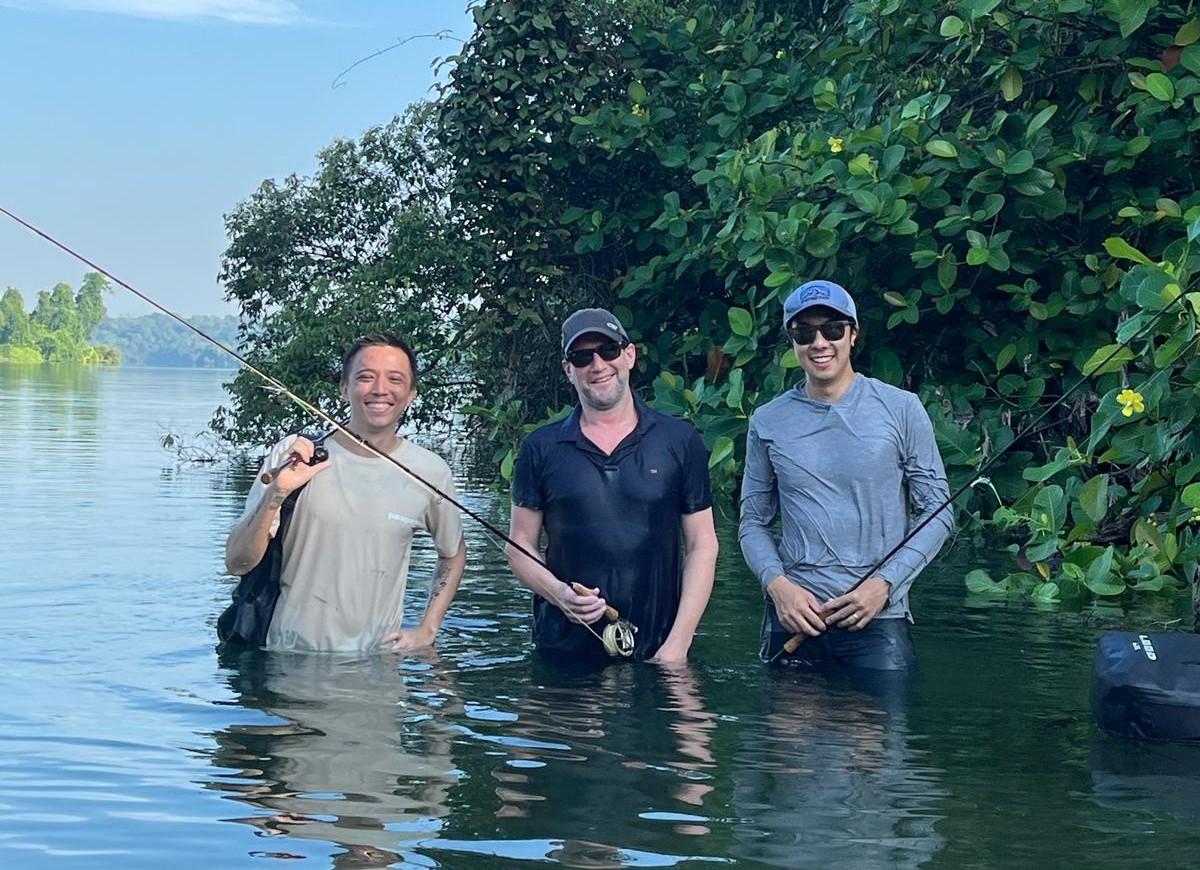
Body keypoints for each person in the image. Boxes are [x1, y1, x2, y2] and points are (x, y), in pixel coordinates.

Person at [738, 280, 953, 669]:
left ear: (853, 335)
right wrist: (777, 586)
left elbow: (938, 510)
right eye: (805, 333)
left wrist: (885, 585)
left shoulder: (902, 408)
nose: (819, 342)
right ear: (792, 341)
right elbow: (753, 521)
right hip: (793, 617)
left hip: (878, 619)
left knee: (877, 730)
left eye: (833, 329)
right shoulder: (766, 421)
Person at [225, 333, 466, 653]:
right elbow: (237, 562)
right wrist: (277, 494)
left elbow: (453, 553)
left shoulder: (431, 471)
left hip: (377, 666)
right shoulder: (297, 455)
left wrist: (427, 628)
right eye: (366, 377)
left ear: (410, 395)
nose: (380, 389)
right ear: (344, 388)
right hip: (288, 660)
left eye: (395, 379)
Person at [505, 308, 719, 663]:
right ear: (567, 370)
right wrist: (559, 594)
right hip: (562, 650)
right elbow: (519, 545)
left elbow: (702, 543)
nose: (598, 364)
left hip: (660, 651)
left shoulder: (680, 440)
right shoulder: (539, 448)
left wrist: (678, 645)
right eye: (582, 356)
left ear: (630, 355)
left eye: (608, 350)